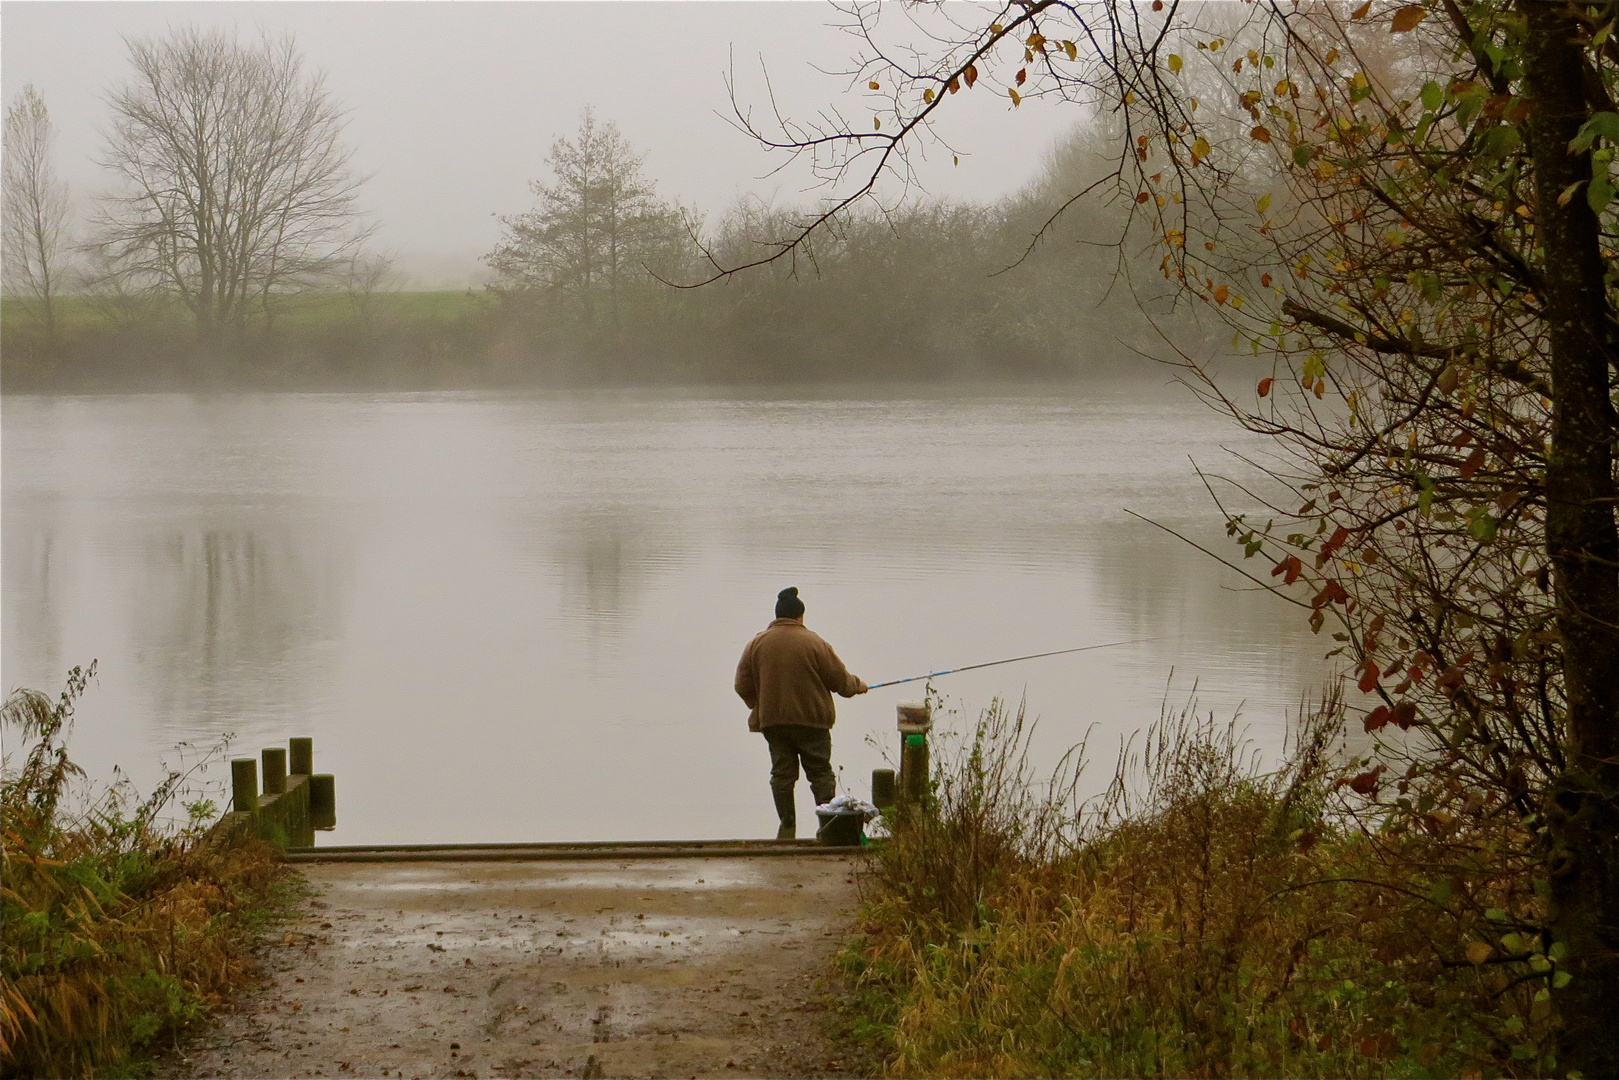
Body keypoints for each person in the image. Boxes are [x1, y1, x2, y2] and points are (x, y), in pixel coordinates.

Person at [734, 587, 868, 839]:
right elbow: (840, 682)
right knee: (820, 773)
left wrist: (760, 705)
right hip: (813, 723)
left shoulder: (756, 644)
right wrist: (857, 685)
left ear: (777, 616)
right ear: (800, 617)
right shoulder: (815, 643)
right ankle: (827, 827)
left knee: (781, 775)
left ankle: (786, 827)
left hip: (774, 723)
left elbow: (741, 684)